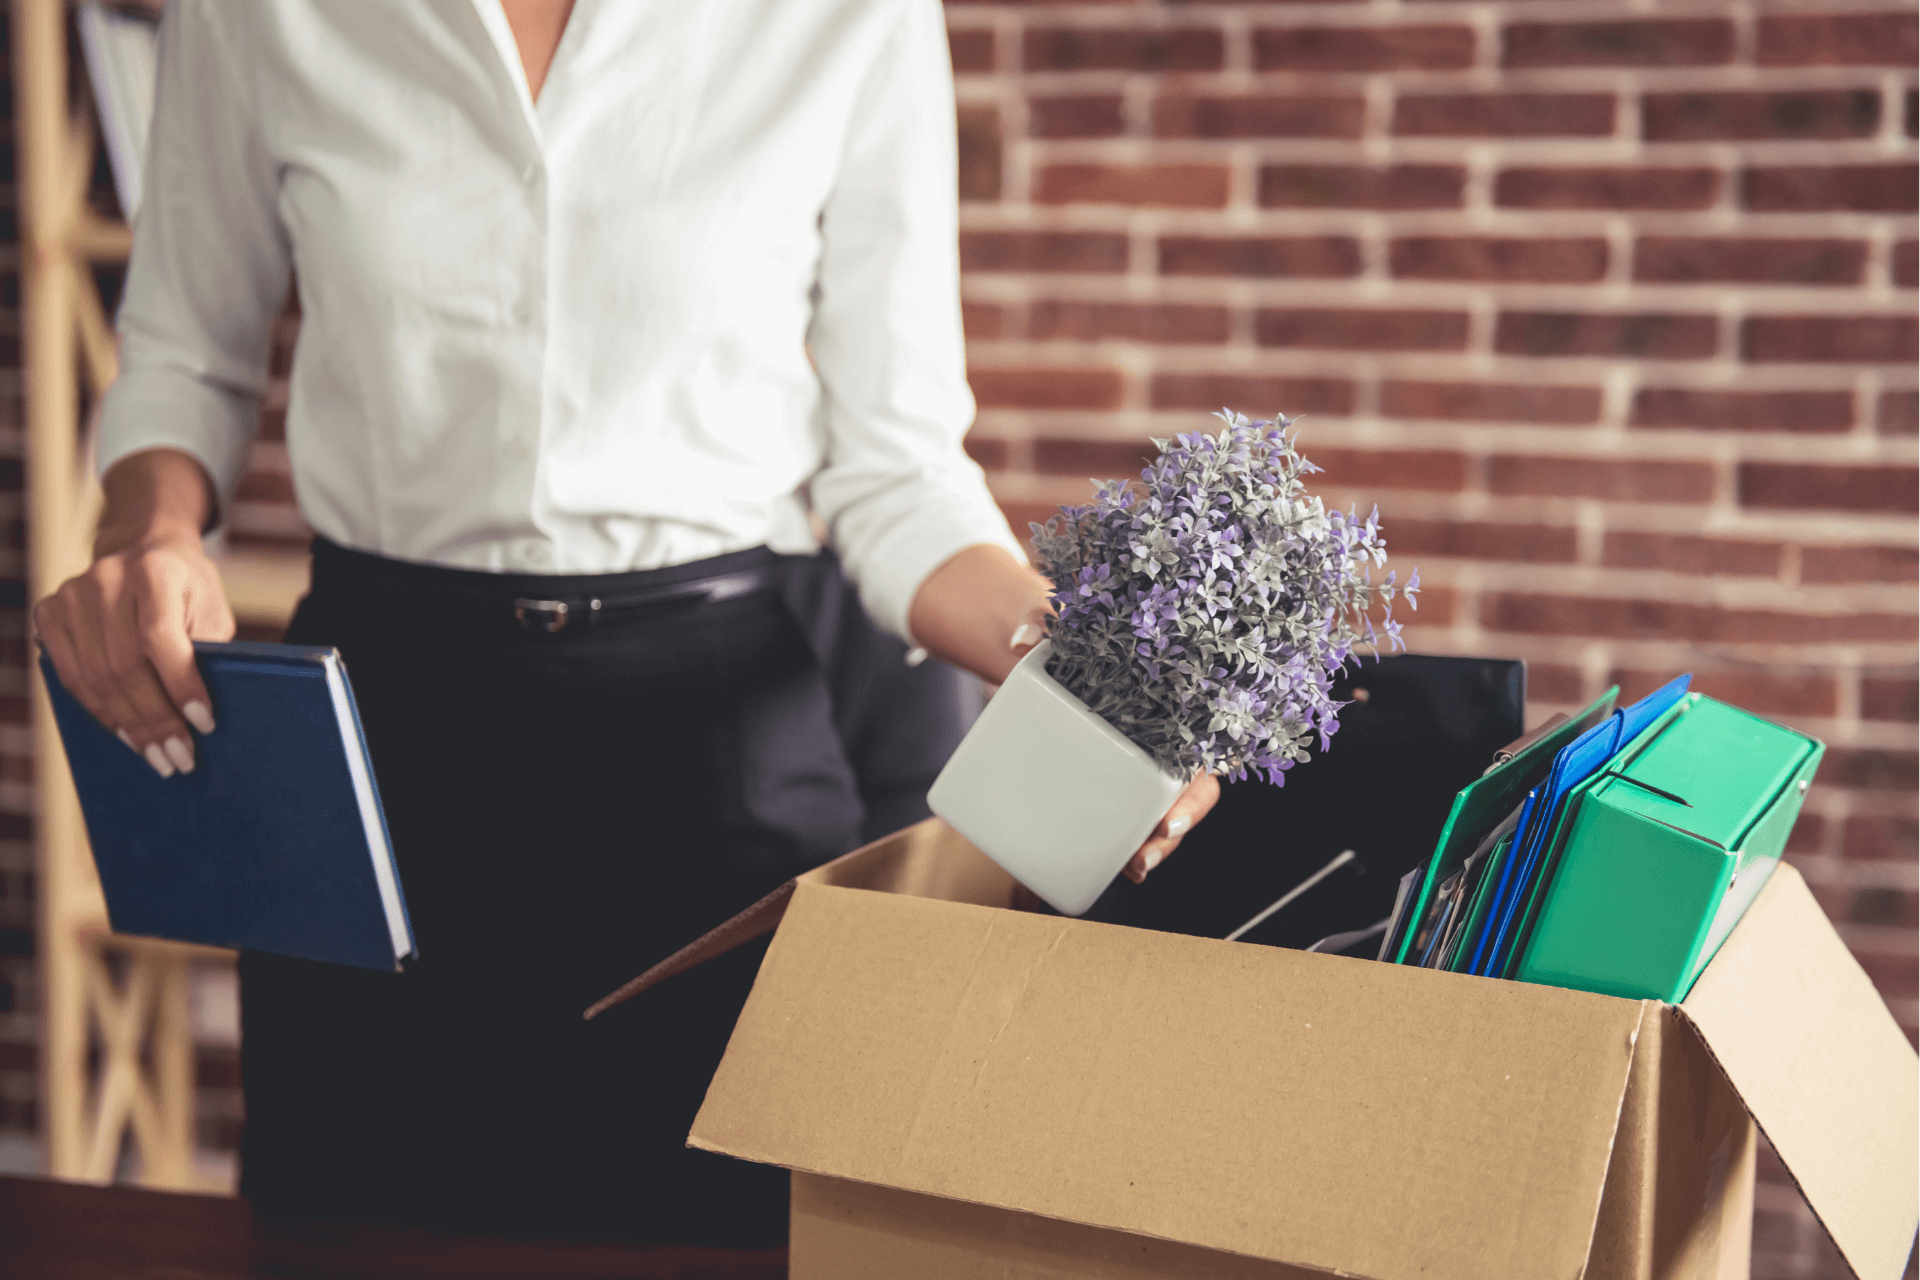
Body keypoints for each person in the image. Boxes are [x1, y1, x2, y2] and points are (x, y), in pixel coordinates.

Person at [34, 0, 1219, 1247]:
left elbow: (898, 472)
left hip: (711, 749)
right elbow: (182, 355)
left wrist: (1080, 662)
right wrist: (151, 537)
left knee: (723, 1231)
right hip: (384, 739)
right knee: (353, 1218)